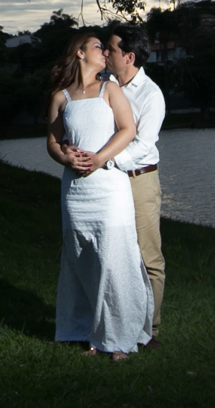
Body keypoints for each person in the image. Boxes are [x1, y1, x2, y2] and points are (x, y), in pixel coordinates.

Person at [47, 33, 153, 360]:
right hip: (75, 190)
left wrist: (100, 158)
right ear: (79, 53)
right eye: (97, 47)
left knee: (114, 259)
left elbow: (128, 130)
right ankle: (87, 332)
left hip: (108, 188)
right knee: (82, 259)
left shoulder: (111, 90)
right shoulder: (61, 97)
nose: (105, 52)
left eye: (106, 49)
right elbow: (53, 141)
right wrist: (64, 157)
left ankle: (121, 337)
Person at [101, 23, 166, 346]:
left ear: (128, 56)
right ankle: (116, 323)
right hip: (110, 181)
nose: (104, 53)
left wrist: (107, 161)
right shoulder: (104, 86)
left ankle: (150, 329)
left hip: (139, 179)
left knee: (147, 256)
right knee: (115, 253)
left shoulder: (151, 94)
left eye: (110, 49)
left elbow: (143, 145)